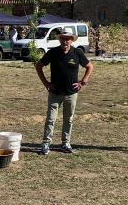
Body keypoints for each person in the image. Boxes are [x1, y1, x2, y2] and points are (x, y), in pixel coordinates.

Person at [35, 27, 94, 155]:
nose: (65, 41)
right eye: (63, 38)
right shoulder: (53, 52)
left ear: (72, 40)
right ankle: (46, 143)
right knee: (50, 119)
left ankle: (65, 143)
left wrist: (82, 82)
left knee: (69, 119)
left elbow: (89, 66)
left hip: (71, 93)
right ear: (60, 39)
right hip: (55, 93)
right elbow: (38, 66)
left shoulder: (77, 53)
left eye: (68, 39)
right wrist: (46, 83)